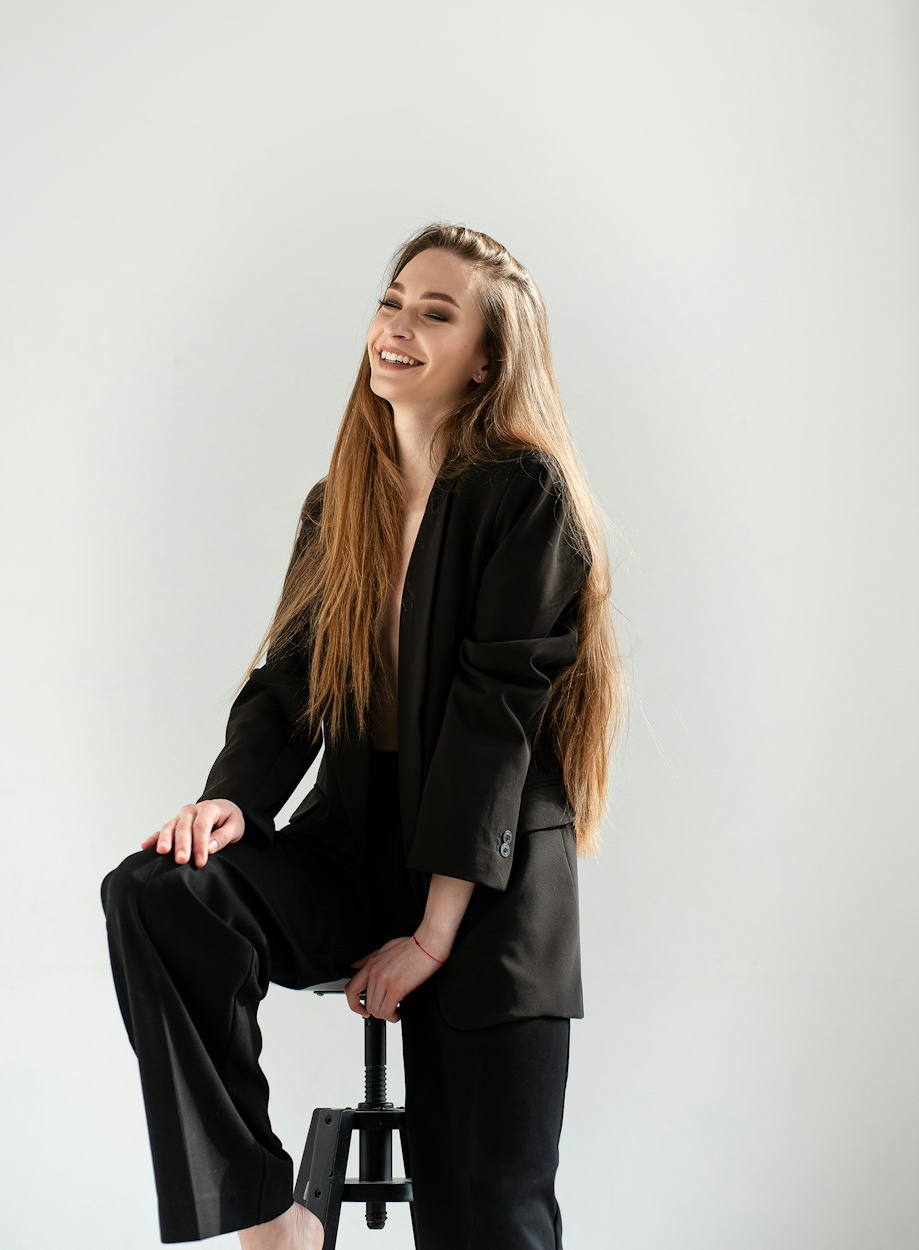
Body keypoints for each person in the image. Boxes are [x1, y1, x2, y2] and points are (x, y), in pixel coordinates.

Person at [100, 222, 625, 1250]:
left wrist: (433, 933)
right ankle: (268, 1213)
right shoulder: (336, 505)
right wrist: (233, 802)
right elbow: (288, 684)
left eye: (436, 312)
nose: (398, 326)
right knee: (160, 891)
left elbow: (491, 725)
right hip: (356, 847)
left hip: (492, 884)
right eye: (392, 301)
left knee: (487, 1216)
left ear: (486, 357)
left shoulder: (526, 498)